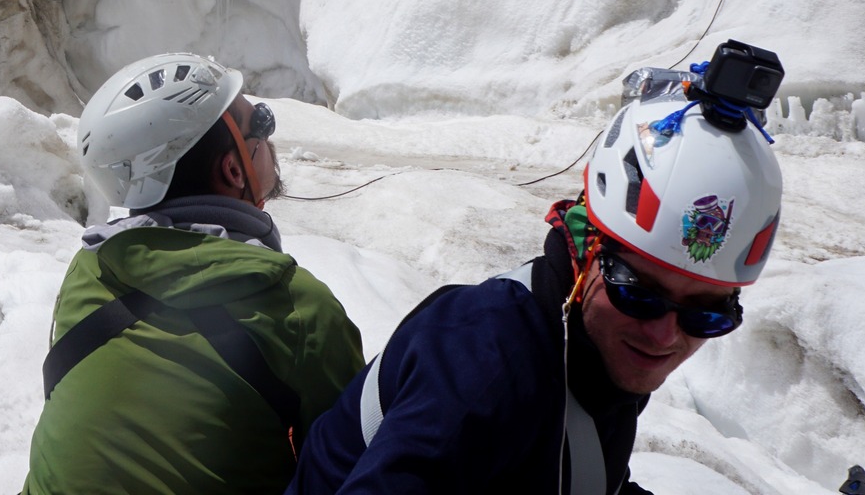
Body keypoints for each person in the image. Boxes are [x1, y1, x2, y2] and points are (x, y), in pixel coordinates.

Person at [290, 42, 789, 495]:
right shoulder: (482, 365)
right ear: (586, 253)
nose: (664, 335)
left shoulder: (594, 347)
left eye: (708, 315)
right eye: (637, 292)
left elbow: (580, 472)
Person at [23, 53, 365, 495]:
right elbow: (356, 466)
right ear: (233, 168)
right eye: (257, 124)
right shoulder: (298, 310)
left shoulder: (90, 269)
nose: (267, 128)